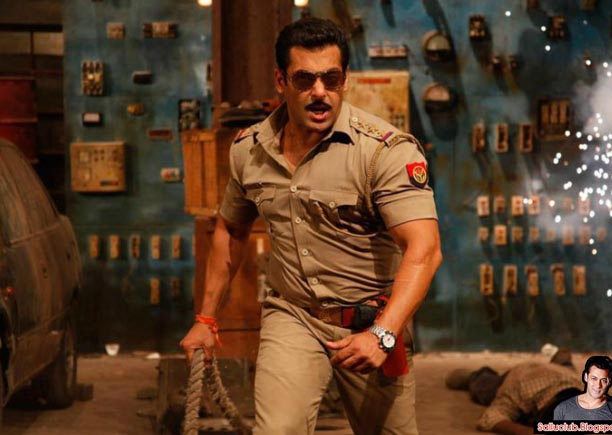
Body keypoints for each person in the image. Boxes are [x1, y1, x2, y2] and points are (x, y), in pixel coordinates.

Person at [179, 17, 442, 435]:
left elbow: (424, 250)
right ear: (281, 81)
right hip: (293, 315)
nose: (320, 92)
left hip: (370, 319)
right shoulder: (249, 150)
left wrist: (383, 334)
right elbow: (231, 230)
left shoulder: (384, 151)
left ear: (345, 79)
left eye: (331, 79)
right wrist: (206, 319)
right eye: (305, 80)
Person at [447, 350, 583, 435]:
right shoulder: (521, 391)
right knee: (485, 388)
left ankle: (561, 363)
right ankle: (475, 376)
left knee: (568, 371)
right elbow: (490, 418)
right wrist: (525, 432)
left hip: (565, 374)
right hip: (522, 373)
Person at [553, 355, 612, 421]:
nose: (598, 385)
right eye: (594, 378)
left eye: (603, 380)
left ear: (609, 382)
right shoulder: (562, 409)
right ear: (586, 377)